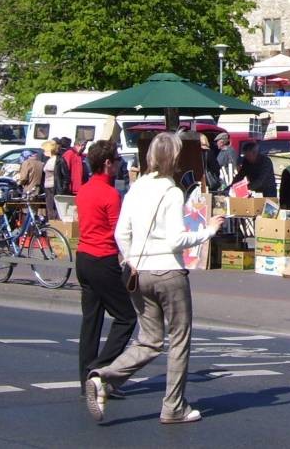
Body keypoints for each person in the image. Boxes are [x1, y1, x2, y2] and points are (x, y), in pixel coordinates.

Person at [85, 130, 225, 426]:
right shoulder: (172, 191)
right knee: (179, 340)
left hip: (138, 272)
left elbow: (121, 232)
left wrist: (132, 259)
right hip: (168, 273)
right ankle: (173, 406)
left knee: (148, 340)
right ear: (174, 157)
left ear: (149, 157)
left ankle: (104, 377)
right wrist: (208, 230)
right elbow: (176, 239)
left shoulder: (136, 188)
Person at [76, 141, 137, 395]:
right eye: (117, 160)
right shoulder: (110, 194)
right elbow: (118, 231)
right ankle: (99, 370)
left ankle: (86, 383)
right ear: (107, 163)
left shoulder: (84, 189)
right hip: (103, 258)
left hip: (83, 257)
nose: (121, 164)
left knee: (91, 320)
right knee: (126, 317)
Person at [41, 140, 60, 220]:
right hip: (48, 186)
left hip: (53, 187)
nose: (43, 152)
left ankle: (53, 227)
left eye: (45, 150)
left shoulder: (55, 160)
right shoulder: (50, 160)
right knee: (49, 209)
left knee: (52, 210)